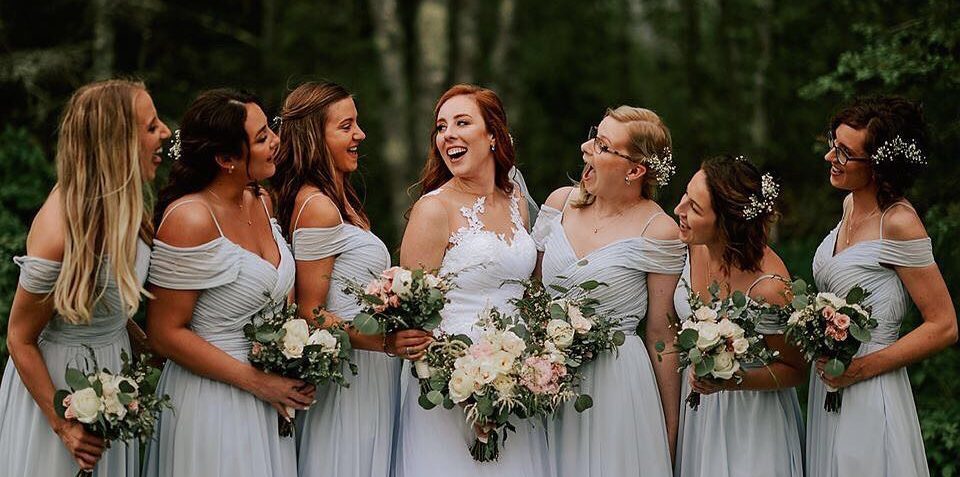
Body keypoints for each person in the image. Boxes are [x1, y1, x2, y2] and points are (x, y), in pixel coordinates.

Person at [0, 79, 170, 475]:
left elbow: (97, 300)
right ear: (116, 141)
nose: (164, 132)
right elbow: (19, 338)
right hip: (59, 385)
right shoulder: (60, 230)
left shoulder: (122, 204)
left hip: (112, 370)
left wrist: (150, 347)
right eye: (150, 126)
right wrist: (63, 425)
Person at [143, 89, 314, 477]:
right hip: (212, 400)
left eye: (269, 129)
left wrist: (293, 361)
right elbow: (164, 333)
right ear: (225, 159)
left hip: (269, 399)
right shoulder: (190, 219)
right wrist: (258, 383)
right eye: (261, 138)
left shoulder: (262, 200)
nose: (276, 141)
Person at [392, 84, 550, 476]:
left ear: (493, 135)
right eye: (441, 127)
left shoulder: (516, 202)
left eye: (462, 123)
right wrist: (462, 388)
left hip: (513, 383)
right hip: (449, 388)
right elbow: (413, 316)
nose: (449, 135)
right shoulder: (433, 209)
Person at [273, 81, 429, 476]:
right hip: (349, 375)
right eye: (346, 127)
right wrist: (387, 342)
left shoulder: (339, 200)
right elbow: (310, 313)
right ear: (315, 137)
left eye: (356, 124)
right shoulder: (318, 207)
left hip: (370, 369)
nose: (359, 134)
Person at [807, 96, 957, 477]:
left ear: (878, 166)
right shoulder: (850, 206)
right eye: (832, 144)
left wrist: (859, 370)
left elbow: (944, 325)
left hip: (871, 385)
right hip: (831, 383)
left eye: (844, 153)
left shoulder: (899, 222)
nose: (830, 158)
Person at [532, 106, 684, 476]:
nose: (585, 147)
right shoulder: (559, 204)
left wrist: (669, 425)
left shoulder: (659, 230)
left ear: (635, 170)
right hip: (549, 379)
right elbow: (532, 297)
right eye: (593, 136)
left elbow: (661, 334)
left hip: (619, 388)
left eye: (601, 145)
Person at [672, 156, 806, 477]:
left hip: (752, 424)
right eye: (685, 196)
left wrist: (732, 381)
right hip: (700, 414)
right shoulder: (694, 245)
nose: (680, 210)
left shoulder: (769, 288)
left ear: (728, 223)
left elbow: (796, 370)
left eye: (695, 208)